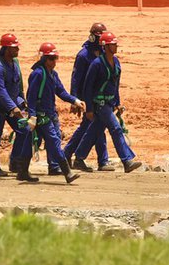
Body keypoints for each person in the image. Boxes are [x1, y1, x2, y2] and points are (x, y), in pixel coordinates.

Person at [71, 32, 143, 173]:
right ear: (106, 46)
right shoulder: (96, 64)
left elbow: (115, 84)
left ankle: (79, 158)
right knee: (116, 129)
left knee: (94, 131)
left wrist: (117, 103)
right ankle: (127, 160)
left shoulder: (116, 62)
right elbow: (88, 87)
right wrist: (90, 109)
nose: (116, 47)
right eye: (113, 45)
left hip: (109, 103)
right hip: (100, 104)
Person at [15, 43, 86, 184]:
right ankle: (67, 172)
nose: (54, 62)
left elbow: (61, 91)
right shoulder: (38, 74)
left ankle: (22, 171)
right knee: (54, 141)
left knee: (31, 142)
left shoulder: (53, 75)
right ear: (44, 59)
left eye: (55, 58)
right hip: (41, 117)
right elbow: (32, 97)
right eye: (51, 59)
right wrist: (33, 116)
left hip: (48, 115)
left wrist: (75, 100)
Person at [63, 22, 111, 172]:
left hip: (99, 97)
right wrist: (75, 100)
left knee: (93, 127)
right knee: (92, 126)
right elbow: (76, 78)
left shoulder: (103, 53)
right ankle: (99, 160)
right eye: (99, 37)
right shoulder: (83, 55)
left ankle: (69, 155)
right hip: (87, 98)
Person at [0, 33, 27, 178]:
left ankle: (14, 162)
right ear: (6, 48)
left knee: (24, 130)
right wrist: (13, 108)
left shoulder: (15, 65)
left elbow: (18, 87)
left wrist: (22, 103)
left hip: (13, 106)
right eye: (14, 48)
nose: (17, 50)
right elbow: (1, 91)